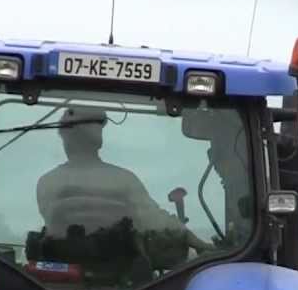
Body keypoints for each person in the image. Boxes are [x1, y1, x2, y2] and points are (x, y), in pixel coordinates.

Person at [35, 107, 209, 253]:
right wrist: (200, 245)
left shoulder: (47, 182)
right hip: (122, 277)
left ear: (65, 139)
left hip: (58, 277)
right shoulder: (124, 180)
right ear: (98, 139)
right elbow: (157, 221)